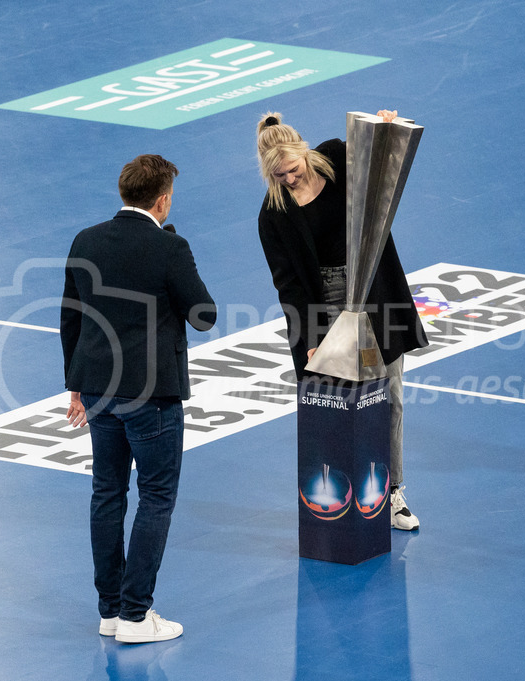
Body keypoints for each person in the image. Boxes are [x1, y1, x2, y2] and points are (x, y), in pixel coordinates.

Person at [61, 154, 216, 642]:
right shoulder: (171, 247)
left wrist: (77, 385)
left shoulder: (85, 240)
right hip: (152, 396)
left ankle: (110, 611)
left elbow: (71, 318)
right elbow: (203, 314)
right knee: (156, 497)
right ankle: (135, 615)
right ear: (163, 198)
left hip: (98, 390)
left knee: (107, 493)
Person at [255, 111, 428, 530]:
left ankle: (392, 492)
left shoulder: (336, 157)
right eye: (280, 177)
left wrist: (386, 127)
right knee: (338, 403)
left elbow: (383, 163)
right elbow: (290, 288)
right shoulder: (272, 216)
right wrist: (311, 338)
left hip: (374, 286)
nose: (290, 180)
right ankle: (342, 497)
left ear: (304, 152)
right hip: (325, 303)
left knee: (391, 394)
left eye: (293, 170)